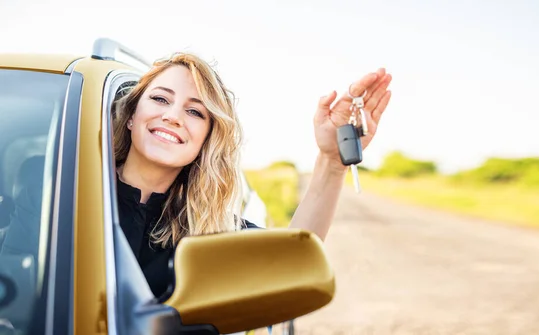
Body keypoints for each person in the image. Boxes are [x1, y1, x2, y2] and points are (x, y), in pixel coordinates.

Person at [112, 52, 392, 298]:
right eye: (160, 98)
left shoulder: (210, 232)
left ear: (205, 141)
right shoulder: (70, 193)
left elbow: (292, 264)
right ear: (131, 115)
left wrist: (332, 162)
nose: (173, 116)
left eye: (195, 111)